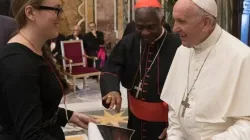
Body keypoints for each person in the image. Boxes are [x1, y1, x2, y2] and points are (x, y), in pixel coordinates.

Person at [0, 0, 95, 139]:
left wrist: (67, 116)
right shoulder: (18, 62)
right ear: (31, 13)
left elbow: (35, 105)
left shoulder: (35, 50)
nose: (61, 16)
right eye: (56, 9)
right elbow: (31, 135)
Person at [161, 0, 250, 139]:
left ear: (206, 23)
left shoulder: (243, 57)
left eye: (181, 21)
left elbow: (247, 124)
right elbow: (175, 110)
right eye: (174, 20)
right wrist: (174, 137)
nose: (174, 28)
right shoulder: (181, 51)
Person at [100, 0, 181, 139]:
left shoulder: (178, 46)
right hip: (135, 120)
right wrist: (112, 89)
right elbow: (111, 67)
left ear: (161, 21)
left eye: (151, 27)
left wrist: (176, 126)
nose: (145, 33)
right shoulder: (129, 42)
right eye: (140, 27)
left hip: (166, 123)